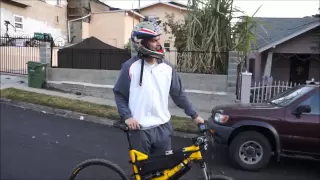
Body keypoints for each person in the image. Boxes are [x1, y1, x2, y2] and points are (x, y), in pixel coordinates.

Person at [113, 18, 204, 155]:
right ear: (141, 43)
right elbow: (119, 94)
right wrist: (127, 116)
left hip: (163, 129)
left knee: (164, 172)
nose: (158, 44)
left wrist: (194, 115)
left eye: (158, 40)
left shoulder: (167, 68)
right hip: (139, 131)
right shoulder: (129, 67)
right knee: (143, 173)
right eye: (154, 40)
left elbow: (178, 94)